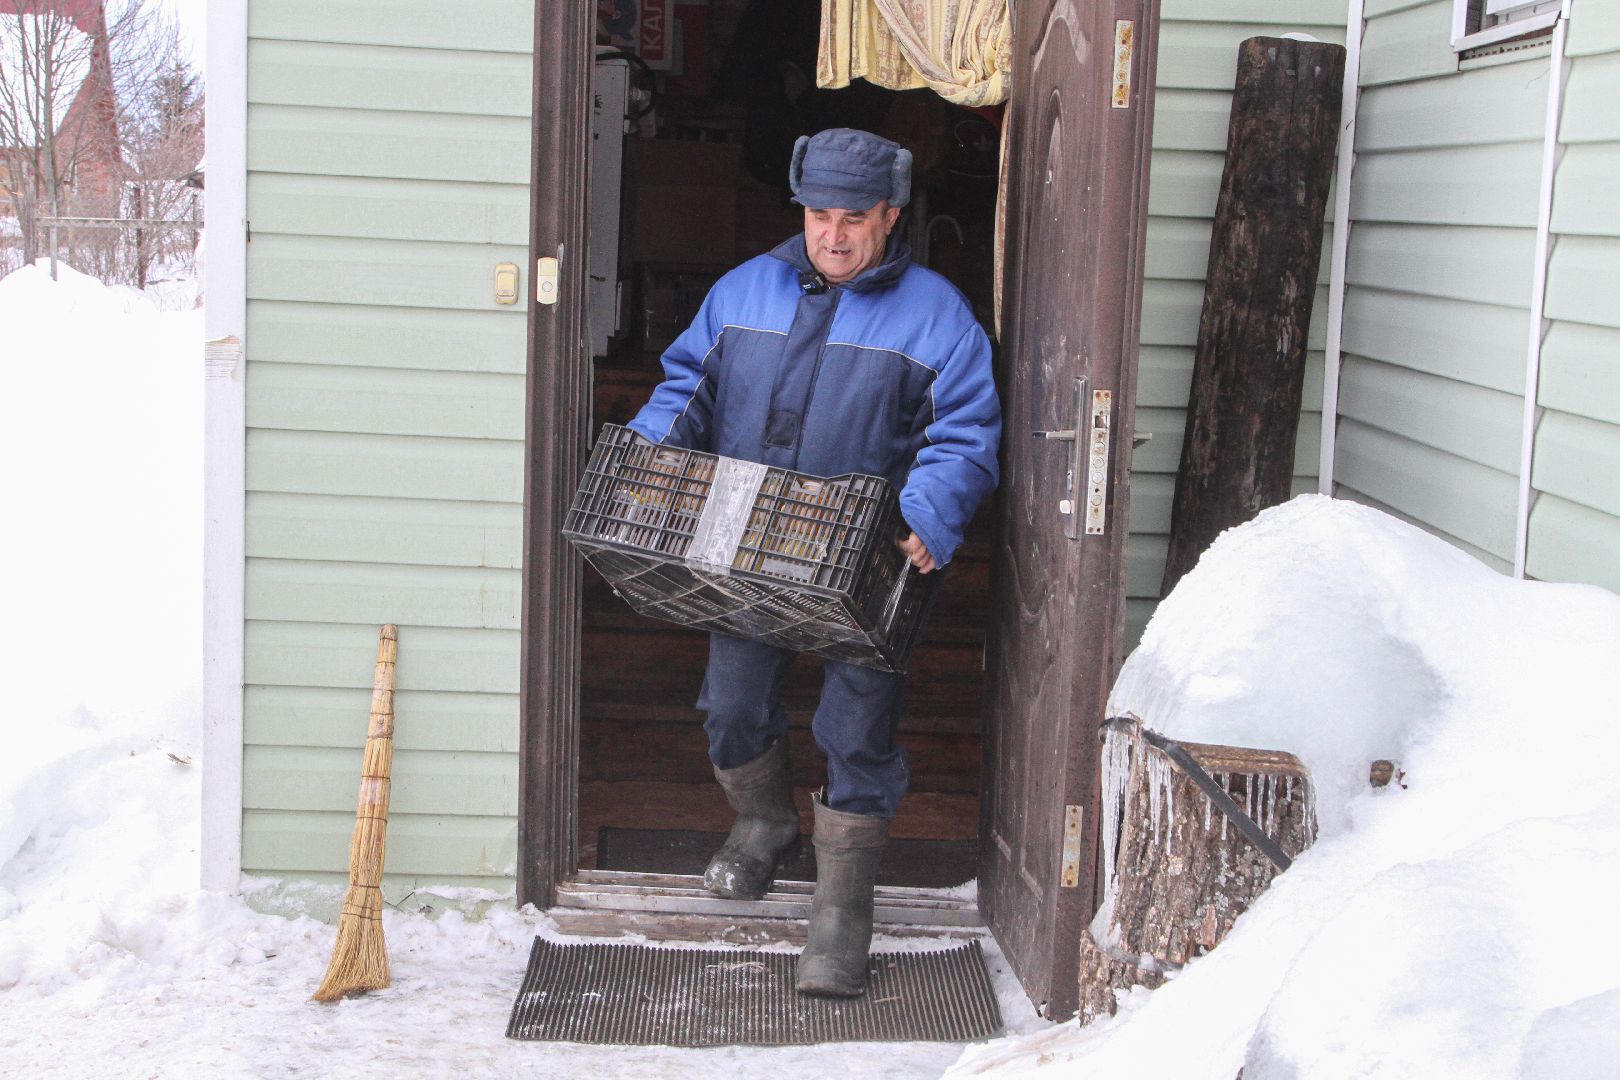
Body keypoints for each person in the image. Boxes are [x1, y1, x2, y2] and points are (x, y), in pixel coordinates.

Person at [626, 127, 1001, 996]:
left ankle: (841, 913)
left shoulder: (938, 315)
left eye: (854, 218)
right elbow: (686, 388)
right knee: (731, 705)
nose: (833, 235)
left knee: (855, 728)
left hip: (872, 558)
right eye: (819, 214)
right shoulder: (741, 292)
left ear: (890, 216)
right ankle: (763, 827)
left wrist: (930, 512)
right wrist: (652, 451)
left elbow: (965, 432)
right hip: (750, 540)